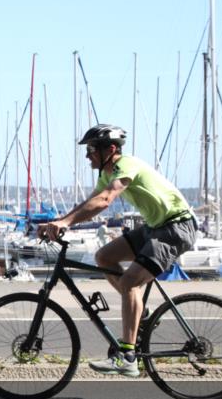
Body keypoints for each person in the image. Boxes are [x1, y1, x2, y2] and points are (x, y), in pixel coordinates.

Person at [37, 124, 196, 377]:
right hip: (155, 227)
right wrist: (58, 221)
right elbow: (90, 203)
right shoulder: (105, 174)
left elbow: (105, 200)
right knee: (104, 257)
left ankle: (128, 357)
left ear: (110, 149)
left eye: (91, 149)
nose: (88, 155)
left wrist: (65, 223)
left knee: (131, 282)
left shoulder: (126, 165)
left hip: (176, 228)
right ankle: (140, 315)